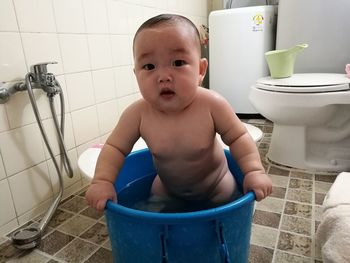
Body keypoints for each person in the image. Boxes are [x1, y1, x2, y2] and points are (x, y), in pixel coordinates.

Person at [86, 14, 272, 212]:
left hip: (216, 186)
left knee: (225, 205)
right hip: (167, 189)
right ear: (136, 75)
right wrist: (102, 181)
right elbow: (115, 147)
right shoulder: (137, 114)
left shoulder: (212, 105)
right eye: (149, 66)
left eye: (177, 63)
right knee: (153, 207)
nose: (164, 77)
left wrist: (254, 171)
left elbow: (238, 137)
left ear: (200, 70)